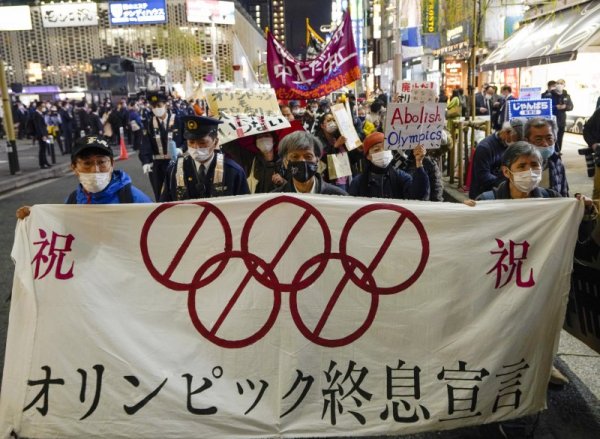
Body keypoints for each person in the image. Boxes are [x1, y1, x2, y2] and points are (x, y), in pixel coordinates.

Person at [15, 136, 151, 218]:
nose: (95, 170)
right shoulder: (72, 201)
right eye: (87, 163)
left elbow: (156, 227)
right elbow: (59, 231)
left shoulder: (133, 198)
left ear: (112, 164)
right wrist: (34, 219)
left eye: (102, 162)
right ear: (74, 168)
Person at [160, 115, 249, 201]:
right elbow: (164, 206)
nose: (196, 147)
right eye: (191, 142)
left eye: (202, 143)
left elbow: (244, 208)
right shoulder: (174, 171)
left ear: (215, 142)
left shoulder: (233, 171)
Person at [349, 132, 429, 199]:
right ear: (368, 156)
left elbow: (419, 195)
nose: (383, 152)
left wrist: (419, 162)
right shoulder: (358, 183)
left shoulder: (400, 177)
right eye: (376, 150)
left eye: (386, 148)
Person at [272, 131, 347, 195]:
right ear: (285, 162)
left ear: (317, 160)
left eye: (308, 156)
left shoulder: (338, 197)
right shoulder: (276, 200)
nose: (302, 161)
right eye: (295, 157)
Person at [139, 91, 181, 201]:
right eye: (153, 106)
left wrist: (181, 149)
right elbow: (145, 144)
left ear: (166, 104)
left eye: (159, 105)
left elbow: (187, 139)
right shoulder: (149, 123)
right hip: (158, 165)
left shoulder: (178, 120)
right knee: (160, 194)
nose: (156, 108)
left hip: (177, 162)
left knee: (178, 191)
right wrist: (146, 161)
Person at [468, 118, 524, 199]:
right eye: (514, 140)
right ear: (507, 132)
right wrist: (508, 183)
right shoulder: (485, 148)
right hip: (483, 195)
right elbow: (483, 176)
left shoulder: (509, 145)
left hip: (502, 192)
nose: (515, 144)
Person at [523, 117, 569, 197]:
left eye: (549, 138)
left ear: (555, 139)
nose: (545, 144)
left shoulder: (557, 161)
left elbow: (564, 192)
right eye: (538, 139)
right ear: (527, 141)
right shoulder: (518, 166)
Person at [546, 79, 573, 153]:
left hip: (561, 120)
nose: (559, 85)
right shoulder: (549, 95)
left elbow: (571, 106)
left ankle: (558, 151)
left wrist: (565, 107)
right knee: (551, 136)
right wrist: (555, 107)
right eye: (557, 83)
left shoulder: (567, 96)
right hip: (551, 120)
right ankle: (551, 152)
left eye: (561, 83)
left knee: (560, 137)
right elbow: (546, 106)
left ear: (564, 85)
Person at [32, 102, 51, 169]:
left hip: (44, 134)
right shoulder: (36, 114)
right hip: (41, 135)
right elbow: (38, 126)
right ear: (39, 107)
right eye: (42, 106)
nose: (44, 108)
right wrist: (43, 135)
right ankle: (42, 164)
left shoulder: (40, 114)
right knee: (42, 149)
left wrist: (46, 134)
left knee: (44, 148)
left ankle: (45, 162)